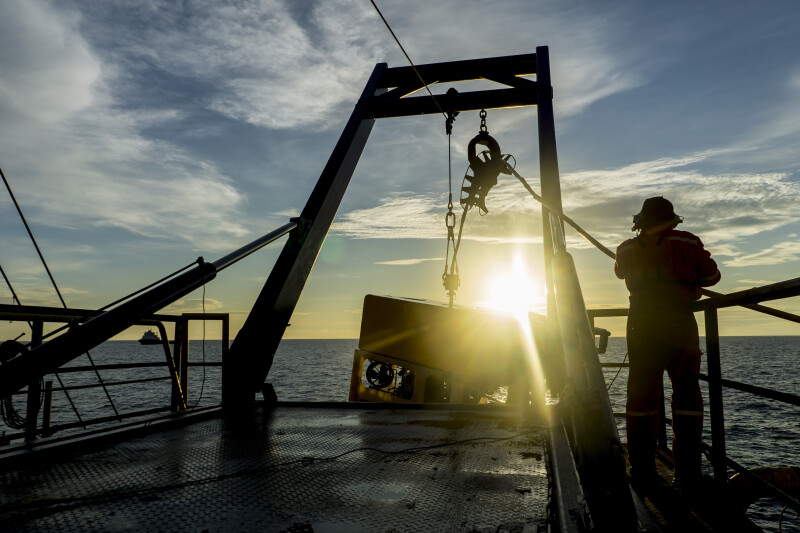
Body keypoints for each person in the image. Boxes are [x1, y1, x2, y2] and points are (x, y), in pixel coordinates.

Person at [614, 196, 721, 488]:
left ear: (641, 221)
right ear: (672, 220)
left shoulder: (626, 248)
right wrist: (691, 285)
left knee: (641, 398)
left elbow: (620, 272)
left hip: (641, 328)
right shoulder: (688, 242)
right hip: (679, 325)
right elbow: (712, 276)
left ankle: (641, 471)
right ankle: (687, 475)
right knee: (687, 398)